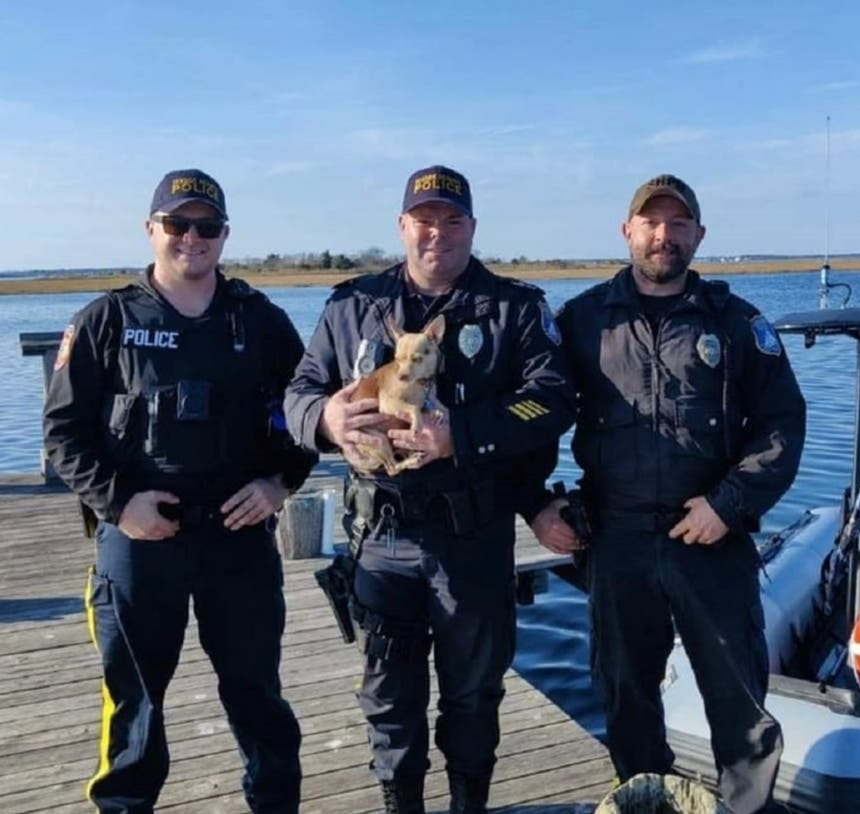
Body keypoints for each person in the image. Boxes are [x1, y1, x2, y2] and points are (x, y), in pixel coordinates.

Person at [284, 165, 573, 814]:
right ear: (401, 226)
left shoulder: (514, 309)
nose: (435, 233)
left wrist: (461, 434)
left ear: (471, 227)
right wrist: (325, 421)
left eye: (451, 220)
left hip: (472, 537)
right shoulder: (350, 306)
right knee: (389, 700)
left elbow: (551, 404)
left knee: (473, 698)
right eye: (423, 220)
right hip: (380, 537)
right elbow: (298, 393)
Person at [43, 169, 316, 814]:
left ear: (224, 236)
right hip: (140, 537)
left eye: (207, 226)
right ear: (152, 230)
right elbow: (62, 433)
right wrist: (119, 504)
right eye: (178, 224)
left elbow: (305, 417)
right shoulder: (105, 319)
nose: (192, 237)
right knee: (135, 700)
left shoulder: (262, 321)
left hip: (238, 536)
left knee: (257, 692)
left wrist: (279, 485)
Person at [531, 174, 806, 814]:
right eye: (650, 222)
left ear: (698, 235)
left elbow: (782, 425)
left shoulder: (737, 323)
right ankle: (641, 802)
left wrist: (729, 504)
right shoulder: (582, 320)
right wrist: (537, 504)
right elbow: (536, 415)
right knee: (625, 694)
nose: (664, 235)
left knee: (738, 703)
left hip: (709, 535)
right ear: (627, 231)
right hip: (617, 538)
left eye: (678, 223)